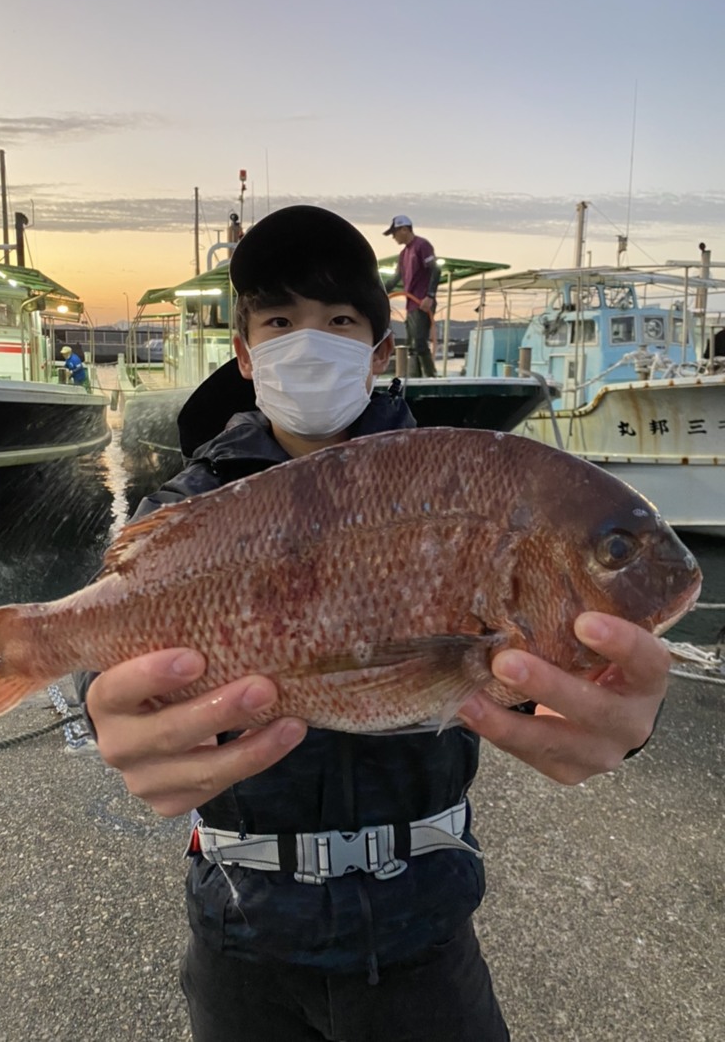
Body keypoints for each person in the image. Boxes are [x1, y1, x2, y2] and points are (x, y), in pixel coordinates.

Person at [81, 205, 670, 1042]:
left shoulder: (463, 486)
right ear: (245, 355)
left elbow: (563, 663)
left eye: (339, 320)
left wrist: (628, 707)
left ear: (379, 351)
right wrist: (100, 698)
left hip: (423, 932)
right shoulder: (186, 506)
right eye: (279, 321)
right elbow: (111, 622)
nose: (307, 341)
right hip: (238, 930)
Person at [382, 214, 440, 378]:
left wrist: (430, 295)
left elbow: (436, 269)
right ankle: (414, 378)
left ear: (405, 229)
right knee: (411, 343)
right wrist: (379, 291)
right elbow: (395, 278)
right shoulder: (403, 254)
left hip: (422, 302)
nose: (393, 237)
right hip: (411, 304)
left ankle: (430, 378)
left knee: (419, 342)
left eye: (395, 233)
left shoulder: (422, 245)